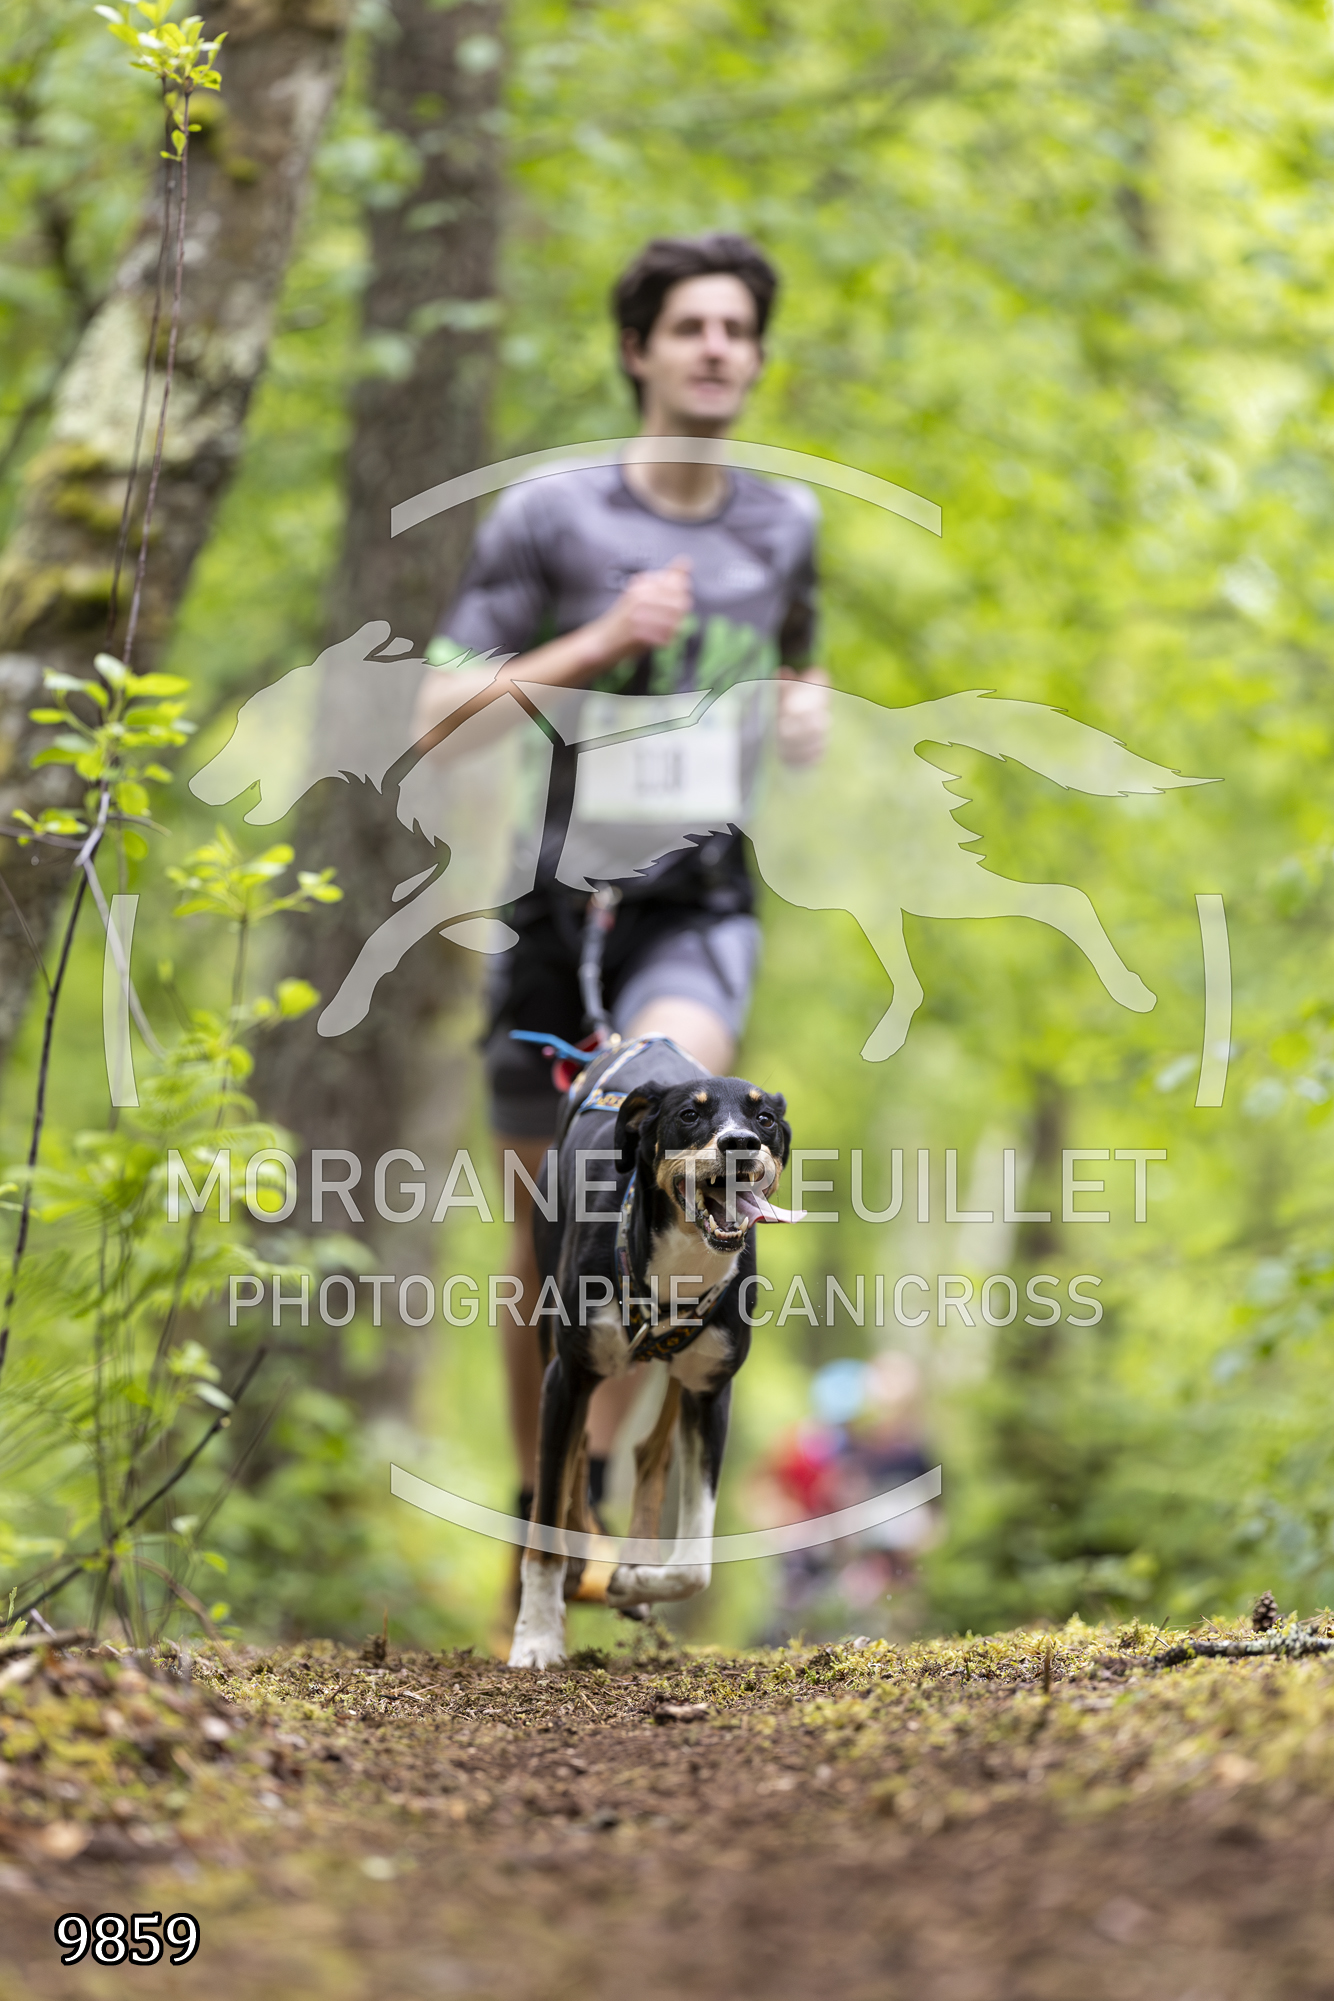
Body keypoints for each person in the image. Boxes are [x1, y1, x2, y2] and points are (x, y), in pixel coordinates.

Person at [414, 232, 830, 1532]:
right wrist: (598, 640)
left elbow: (795, 654)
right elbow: (437, 716)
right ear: (637, 351)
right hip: (558, 906)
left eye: (737, 330)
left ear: (756, 358)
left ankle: (630, 1474)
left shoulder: (785, 522)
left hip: (699, 902)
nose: (717, 348)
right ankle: (550, 1503)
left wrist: (805, 704)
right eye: (691, 326)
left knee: (672, 1134)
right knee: (548, 1241)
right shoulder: (553, 516)